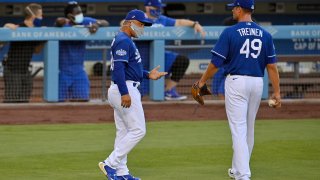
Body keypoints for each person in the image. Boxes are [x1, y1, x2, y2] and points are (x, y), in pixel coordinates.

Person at [194, 0, 281, 179]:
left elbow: (215, 63)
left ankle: (244, 175)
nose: (232, 10)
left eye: (234, 8)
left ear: (240, 9)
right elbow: (272, 67)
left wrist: (202, 81)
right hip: (257, 83)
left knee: (238, 129)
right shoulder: (265, 34)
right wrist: (277, 92)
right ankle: (237, 170)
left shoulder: (230, 32)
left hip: (236, 82)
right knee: (249, 129)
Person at [98, 9, 167, 180]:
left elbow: (130, 68)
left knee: (123, 132)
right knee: (138, 130)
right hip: (124, 88)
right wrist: (125, 93)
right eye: (141, 24)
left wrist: (147, 74)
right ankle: (110, 163)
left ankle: (122, 173)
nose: (142, 28)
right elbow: (119, 70)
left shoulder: (124, 39)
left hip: (123, 87)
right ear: (130, 22)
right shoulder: (123, 40)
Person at [144, 0, 205, 100]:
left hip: (159, 54)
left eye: (159, 7)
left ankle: (168, 91)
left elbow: (179, 22)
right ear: (148, 7)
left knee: (182, 60)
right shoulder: (140, 17)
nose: (158, 9)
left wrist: (194, 24)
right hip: (143, 54)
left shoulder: (162, 19)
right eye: (156, 7)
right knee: (141, 89)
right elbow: (123, 22)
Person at [55, 1, 109, 102]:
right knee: (58, 102)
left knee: (83, 100)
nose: (81, 14)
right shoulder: (63, 24)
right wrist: (62, 21)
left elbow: (105, 22)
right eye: (78, 12)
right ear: (70, 15)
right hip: (62, 71)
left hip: (79, 71)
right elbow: (58, 22)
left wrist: (97, 24)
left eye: (81, 12)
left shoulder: (85, 21)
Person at [2, 3, 44, 103]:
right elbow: (1, 43)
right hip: (12, 70)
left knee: (25, 101)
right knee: (11, 101)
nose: (42, 18)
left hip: (25, 71)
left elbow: (37, 51)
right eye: (40, 15)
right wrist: (5, 27)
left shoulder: (37, 32)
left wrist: (43, 39)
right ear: (32, 15)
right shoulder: (17, 28)